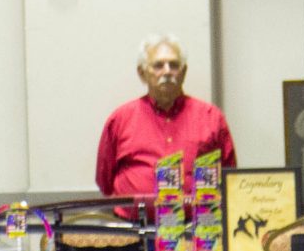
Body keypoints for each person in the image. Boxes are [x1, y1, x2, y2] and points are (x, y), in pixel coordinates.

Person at [92, 35, 237, 204]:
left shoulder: (211, 118)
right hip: (133, 220)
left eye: (174, 65)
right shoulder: (120, 120)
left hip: (197, 220)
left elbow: (230, 179)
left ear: (184, 72)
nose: (167, 71)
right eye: (158, 65)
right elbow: (105, 182)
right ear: (142, 73)